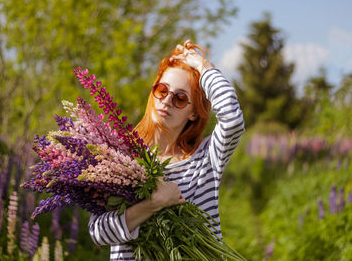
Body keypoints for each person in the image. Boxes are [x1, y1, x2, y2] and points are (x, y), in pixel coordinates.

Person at [88, 40, 245, 260]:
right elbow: (98, 232)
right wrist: (154, 204)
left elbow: (233, 118)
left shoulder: (206, 158)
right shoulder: (120, 158)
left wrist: (201, 65)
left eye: (180, 98)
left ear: (193, 112)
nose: (167, 100)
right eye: (162, 90)